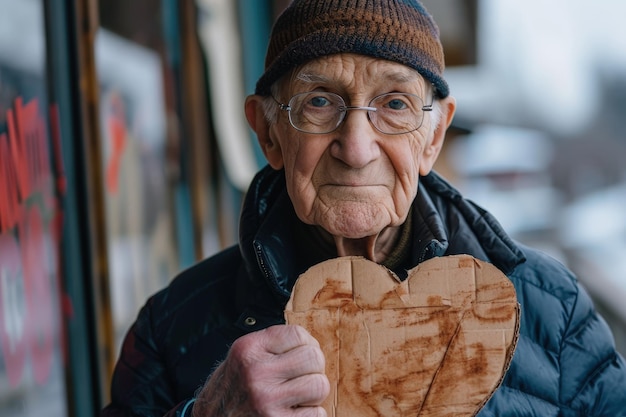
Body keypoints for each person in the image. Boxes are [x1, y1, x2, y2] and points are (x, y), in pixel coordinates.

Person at [101, 0, 626, 416]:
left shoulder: (551, 310)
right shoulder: (171, 326)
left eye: (394, 105)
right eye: (320, 102)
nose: (356, 148)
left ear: (433, 136)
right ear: (269, 133)